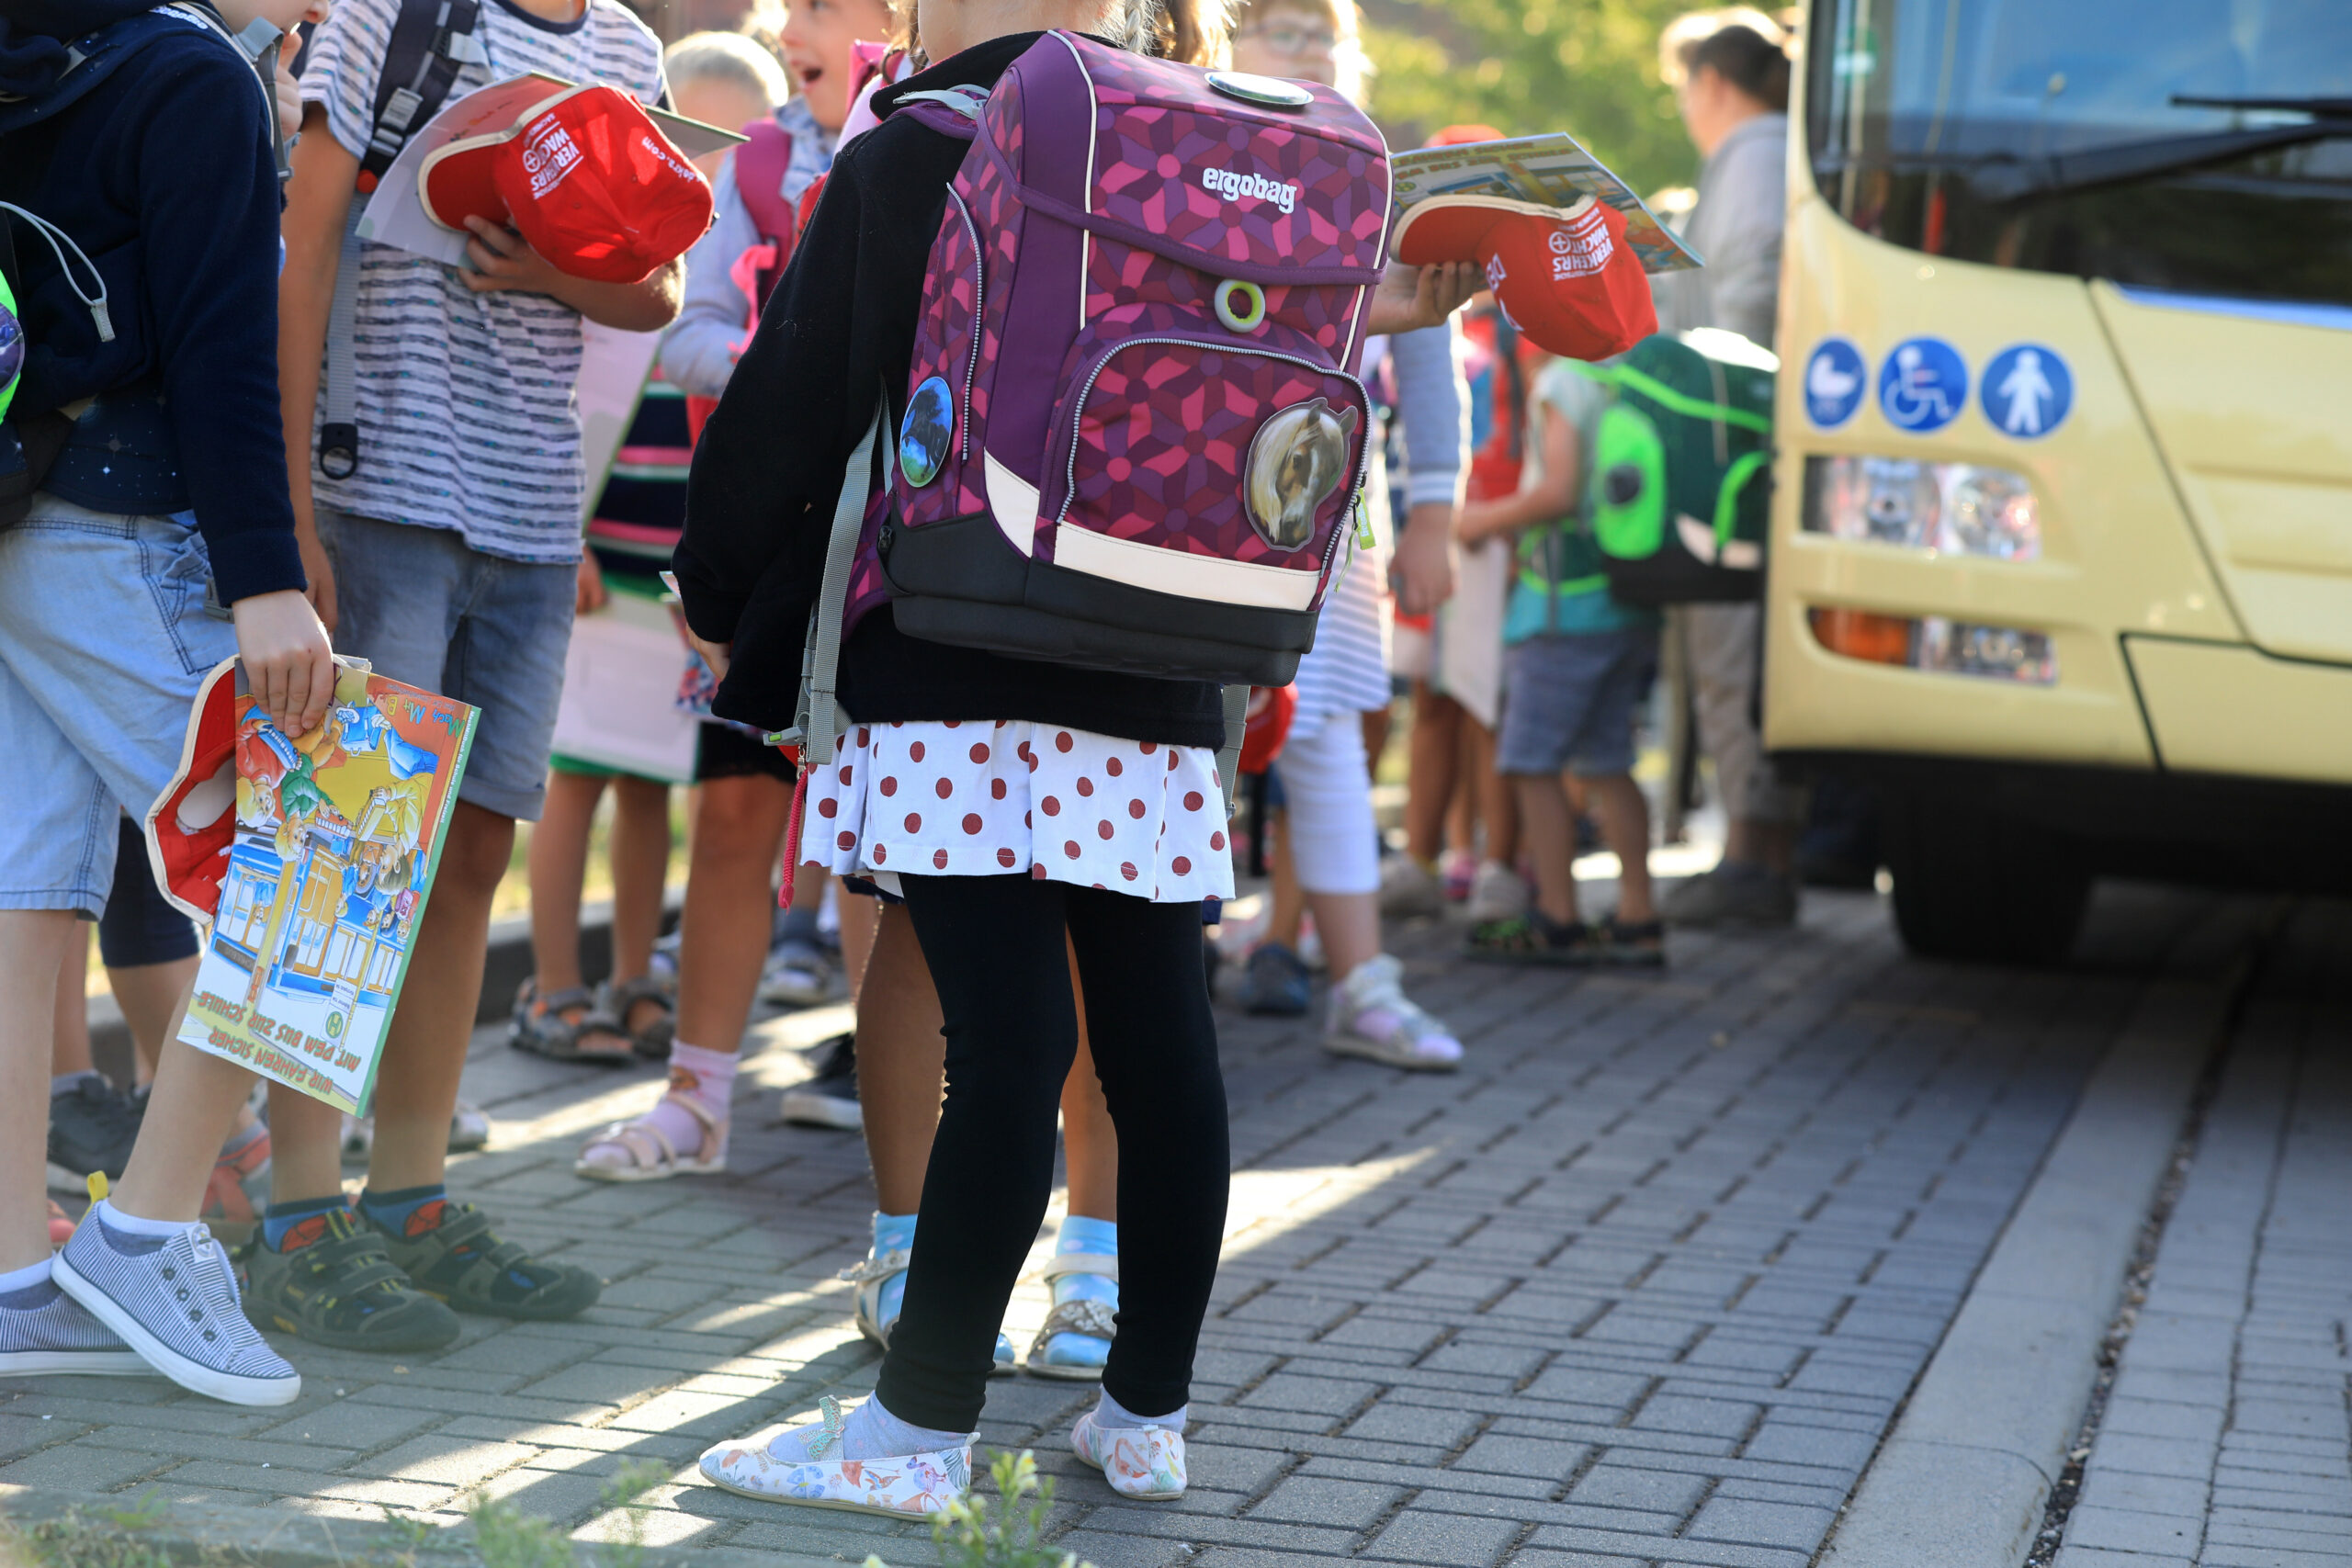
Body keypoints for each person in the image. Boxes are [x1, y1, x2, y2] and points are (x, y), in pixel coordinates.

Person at [673, 0, 1472, 1511]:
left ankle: (913, 1434)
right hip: (1165, 655)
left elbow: (793, 401)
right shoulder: (1207, 153)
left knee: (1009, 1041)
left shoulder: (924, 145)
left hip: (961, 633)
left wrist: (717, 593)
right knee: (1162, 1045)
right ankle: (1147, 1412)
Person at [253, 0, 675, 1355]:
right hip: (377, 495)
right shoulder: (390, 16)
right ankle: (295, 1217)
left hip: (535, 519)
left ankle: (410, 1198)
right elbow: (303, 244)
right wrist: (288, 511)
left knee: (473, 854)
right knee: (342, 861)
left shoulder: (628, 51)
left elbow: (655, 289)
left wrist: (548, 270)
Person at [2, 0, 334, 1403]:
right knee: (328, 860)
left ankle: (14, 1278)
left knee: (30, 890)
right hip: (128, 526)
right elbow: (221, 351)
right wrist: (268, 579)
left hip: (18, 517)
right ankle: (144, 1230)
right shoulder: (192, 75)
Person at [573, 0, 896, 1183]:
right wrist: (789, 366)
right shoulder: (754, 162)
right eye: (790, 7)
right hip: (763, 551)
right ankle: (697, 1101)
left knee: (872, 839)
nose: (794, 25)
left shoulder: (943, 135)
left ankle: (892, 1104)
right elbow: (688, 329)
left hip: (889, 560)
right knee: (732, 818)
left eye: (824, 4)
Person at [516, 28, 794, 1072]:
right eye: (689, 145)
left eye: (735, 153)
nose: (708, 177)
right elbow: (571, 407)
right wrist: (569, 537)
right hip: (600, 570)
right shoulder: (618, 262)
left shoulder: (750, 279)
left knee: (649, 784)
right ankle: (553, 986)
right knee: (574, 778)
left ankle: (634, 976)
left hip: (677, 584)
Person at [1225, 0, 1470, 1074]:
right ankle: (1139, 980)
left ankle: (1362, 983)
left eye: (1321, 32)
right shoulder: (1179, 143)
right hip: (1176, 501)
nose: (1306, 49)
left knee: (1323, 744)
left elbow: (1429, 365)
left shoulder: (1377, 178)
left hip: (1320, 515)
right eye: (1280, 28)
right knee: (1173, 737)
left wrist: (1435, 515)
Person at [1651, 9, 1802, 929]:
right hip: (1756, 435)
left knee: (1731, 653)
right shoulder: (1780, 151)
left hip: (1732, 441)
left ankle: (1750, 852)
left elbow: (1747, 297)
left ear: (1711, 83)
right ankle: (1759, 848)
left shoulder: (1751, 155)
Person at [1461, 358, 1662, 964]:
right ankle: (1639, 916)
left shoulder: (1562, 381)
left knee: (1531, 760)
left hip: (1562, 606)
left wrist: (1482, 519)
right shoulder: (1623, 372)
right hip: (1626, 596)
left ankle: (1557, 914)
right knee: (1609, 760)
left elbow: (1559, 491)